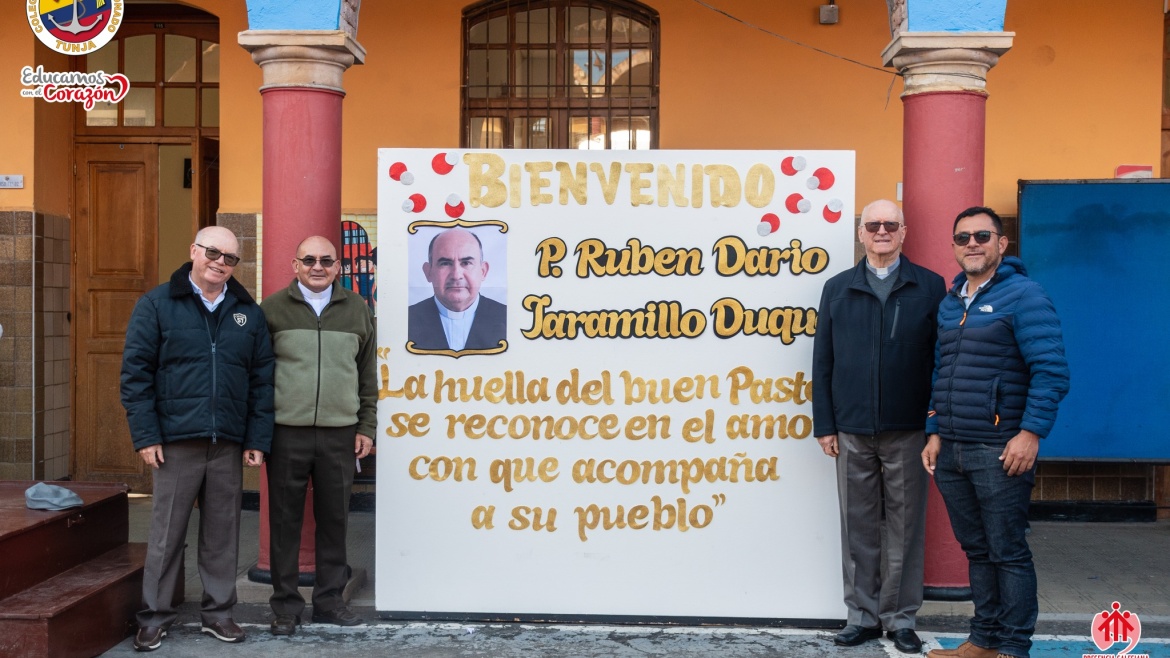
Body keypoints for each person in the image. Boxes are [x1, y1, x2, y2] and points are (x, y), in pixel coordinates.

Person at [922, 206, 1070, 658]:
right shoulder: (951, 304)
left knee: (1008, 552)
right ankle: (982, 640)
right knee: (978, 551)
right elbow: (940, 371)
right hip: (953, 450)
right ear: (954, 247)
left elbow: (1051, 371)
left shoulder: (1025, 295)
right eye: (963, 237)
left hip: (999, 449)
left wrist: (1030, 433)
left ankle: (1013, 647)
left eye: (982, 236)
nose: (972, 244)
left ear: (1001, 244)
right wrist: (934, 430)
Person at [121, 226, 274, 652]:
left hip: (227, 442)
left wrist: (256, 439)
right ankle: (154, 617)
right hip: (175, 442)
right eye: (213, 252)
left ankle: (219, 615)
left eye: (230, 258)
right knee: (167, 534)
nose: (220, 263)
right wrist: (146, 435)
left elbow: (262, 382)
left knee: (222, 534)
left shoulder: (248, 312)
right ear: (194, 251)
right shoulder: (156, 304)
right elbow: (135, 376)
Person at [813, 199, 945, 654]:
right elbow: (823, 359)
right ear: (861, 233)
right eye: (874, 225)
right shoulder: (837, 287)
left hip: (907, 428)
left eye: (891, 224)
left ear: (904, 232)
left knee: (905, 527)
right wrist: (824, 423)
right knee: (858, 525)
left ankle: (901, 617)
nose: (882, 231)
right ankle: (862, 616)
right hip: (850, 427)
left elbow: (941, 360)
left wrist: (934, 423)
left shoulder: (929, 286)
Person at [262, 235, 377, 635]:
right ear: (295, 265)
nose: (317, 266)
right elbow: (258, 377)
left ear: (338, 267)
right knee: (284, 521)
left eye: (326, 260)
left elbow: (367, 375)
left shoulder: (357, 309)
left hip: (339, 434)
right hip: (286, 434)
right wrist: (259, 435)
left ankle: (329, 601)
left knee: (334, 521)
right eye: (308, 259)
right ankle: (285, 608)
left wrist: (366, 426)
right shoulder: (272, 309)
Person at [408, 227, 505, 351]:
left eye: (466, 263)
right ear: (428, 272)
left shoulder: (508, 317)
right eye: (445, 263)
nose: (456, 275)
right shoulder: (405, 320)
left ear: (483, 271)